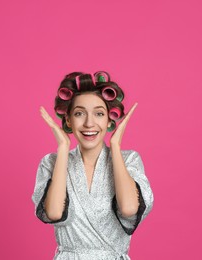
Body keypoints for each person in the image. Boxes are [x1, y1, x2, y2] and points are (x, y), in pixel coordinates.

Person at [32, 71, 153, 259]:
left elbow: (129, 208)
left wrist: (115, 145)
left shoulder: (129, 160)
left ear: (109, 119)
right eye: (79, 113)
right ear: (68, 120)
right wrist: (63, 148)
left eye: (99, 114)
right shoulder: (51, 163)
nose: (89, 123)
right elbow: (54, 212)